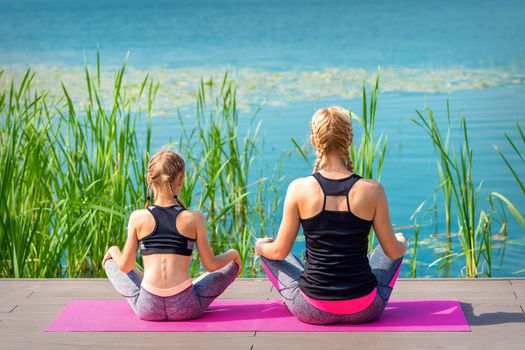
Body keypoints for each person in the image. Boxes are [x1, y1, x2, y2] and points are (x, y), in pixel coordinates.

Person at [255, 106, 407, 325]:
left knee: (272, 252)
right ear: (349, 140)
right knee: (395, 244)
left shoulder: (299, 188)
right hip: (365, 309)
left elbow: (279, 251)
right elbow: (392, 251)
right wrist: (402, 243)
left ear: (314, 140)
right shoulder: (373, 190)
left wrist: (260, 247)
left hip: (311, 309)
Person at [102, 150, 242, 321]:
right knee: (231, 265)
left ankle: (142, 278)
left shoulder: (137, 217)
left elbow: (125, 266)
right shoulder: (194, 217)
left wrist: (113, 250)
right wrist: (233, 254)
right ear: (181, 180)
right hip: (186, 307)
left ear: (149, 180)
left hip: (148, 308)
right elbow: (211, 265)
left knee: (111, 263)